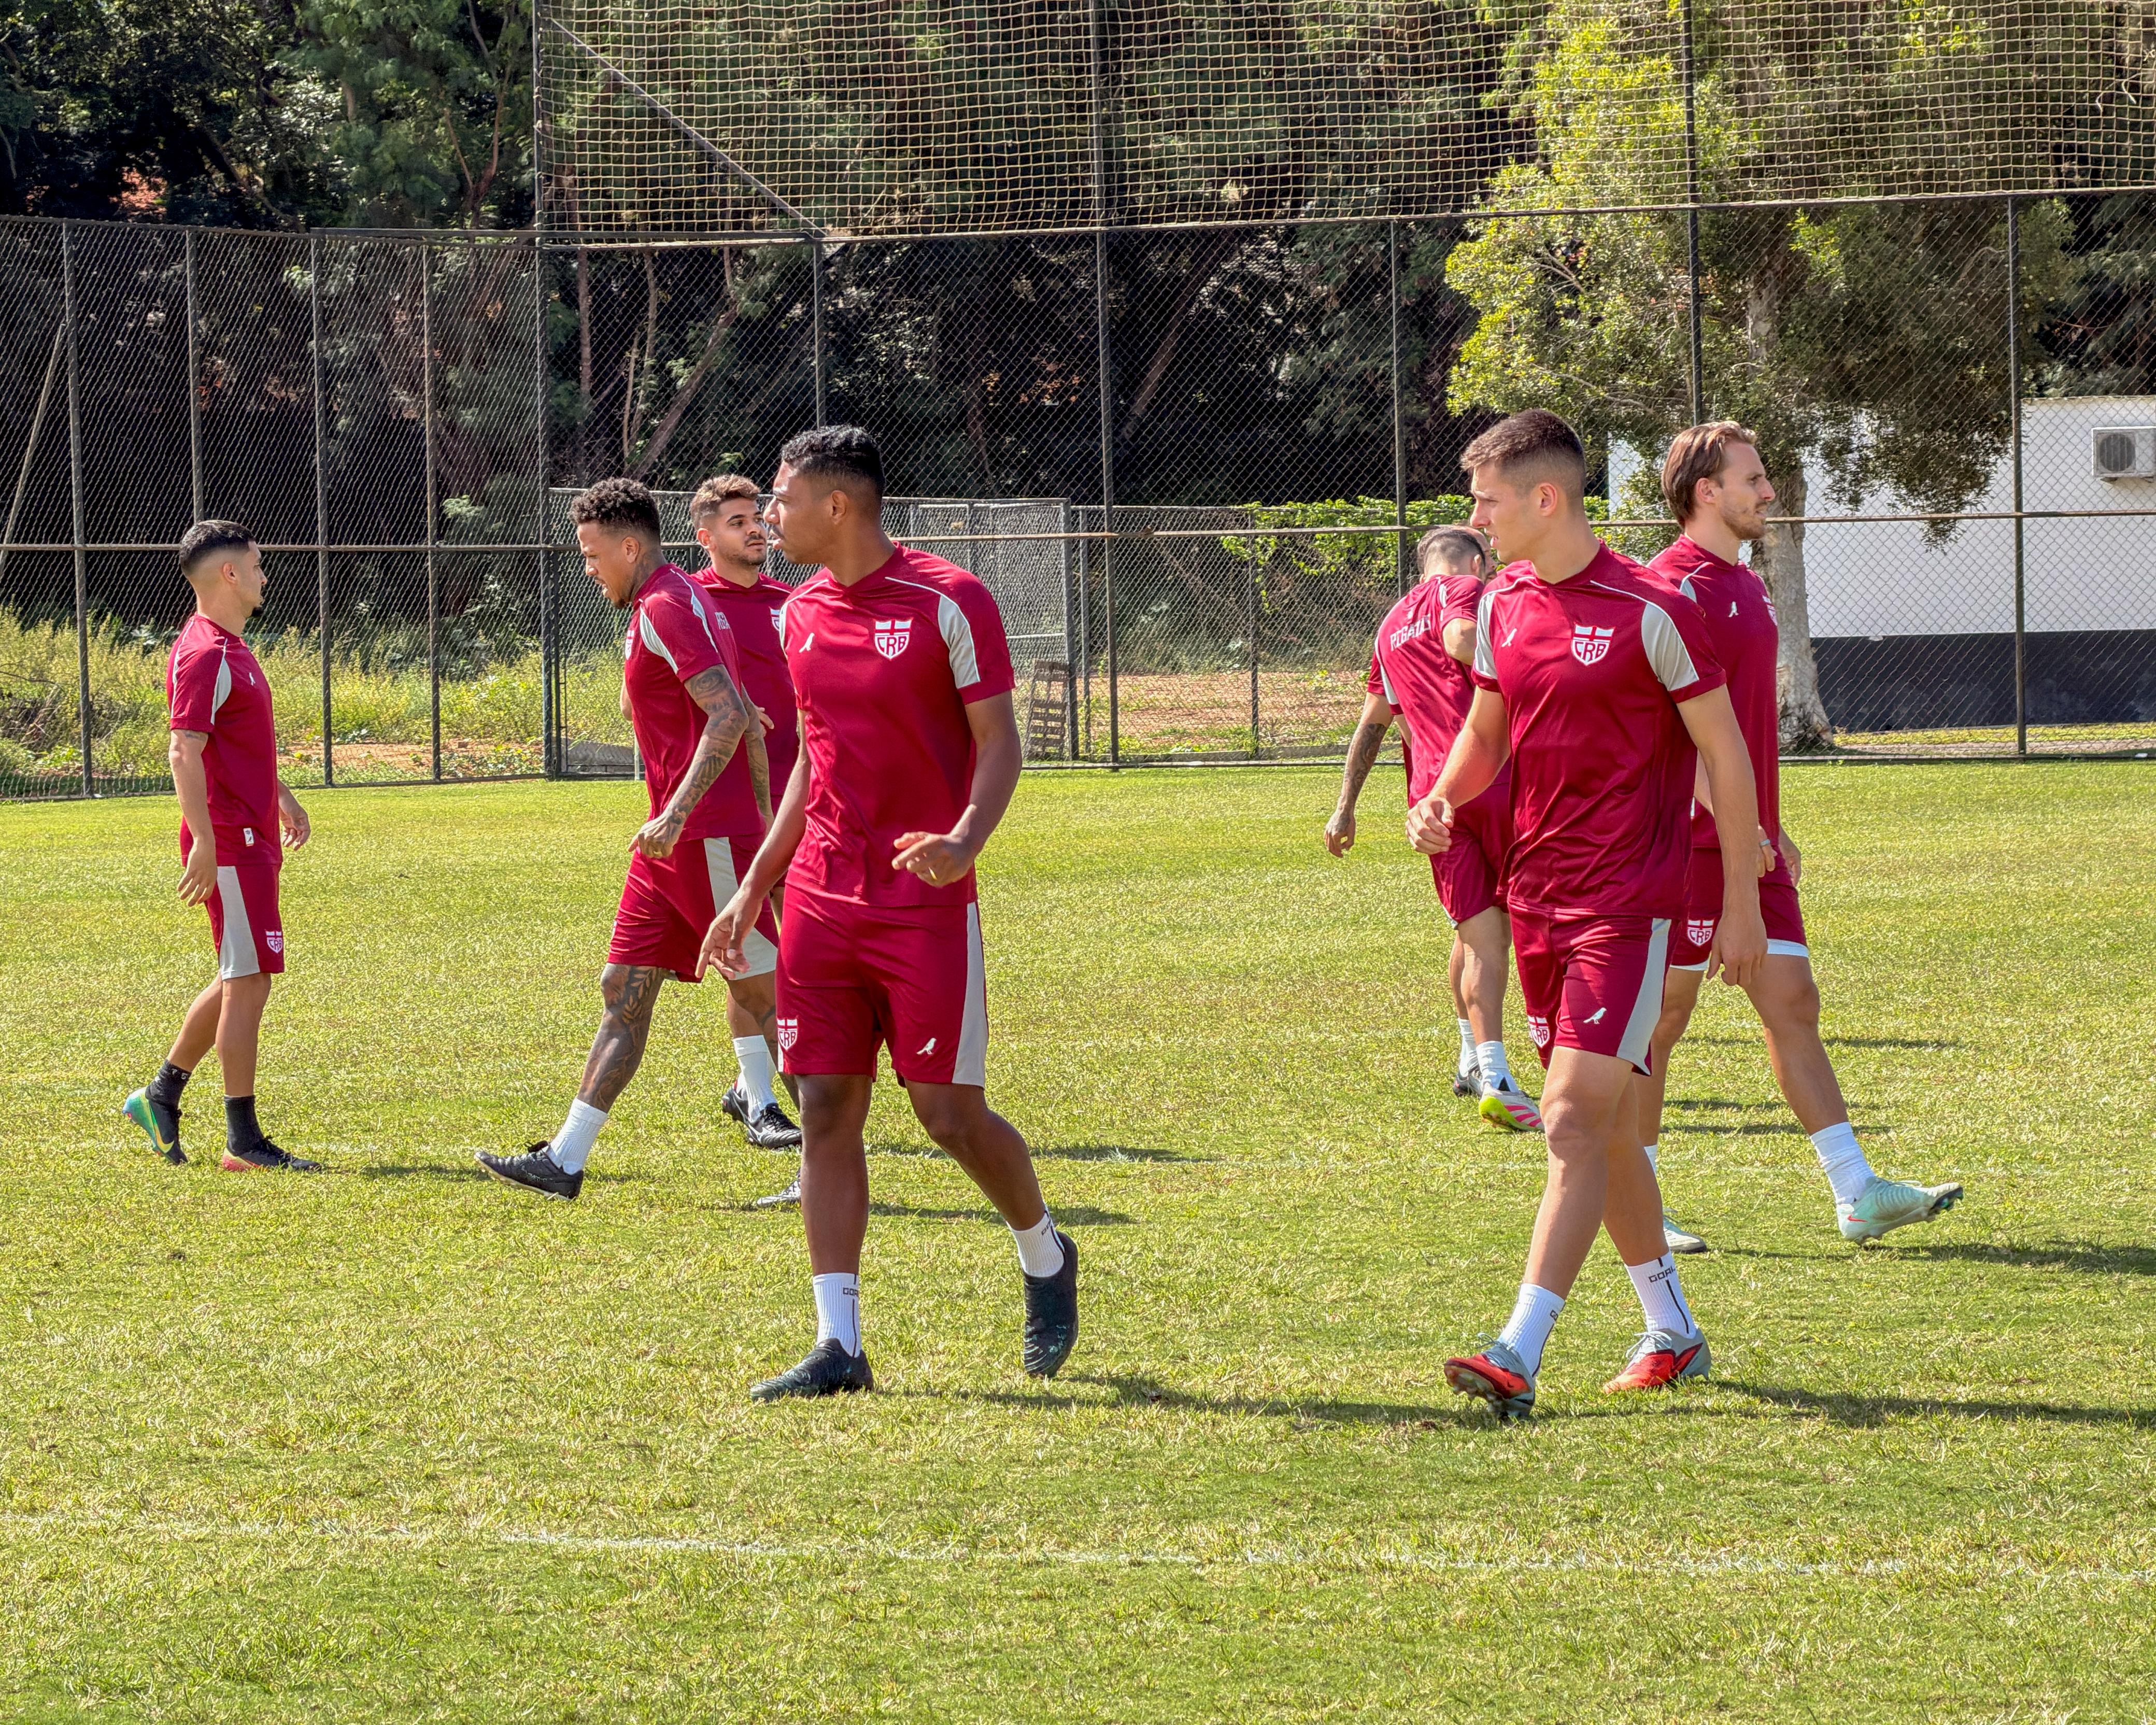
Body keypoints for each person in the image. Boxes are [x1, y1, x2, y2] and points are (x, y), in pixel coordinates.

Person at [701, 424, 1077, 1401]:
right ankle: (840, 1344)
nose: (769, 516)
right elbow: (813, 766)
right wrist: (752, 888)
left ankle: (1043, 1252)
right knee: (826, 1103)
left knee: (947, 1113)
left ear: (839, 505)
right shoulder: (797, 615)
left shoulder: (951, 599)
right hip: (824, 897)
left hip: (925, 901)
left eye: (781, 498)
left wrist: (963, 839)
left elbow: (1000, 743)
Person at [1407, 410, 1767, 1417]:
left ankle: (1515, 1350)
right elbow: (1485, 730)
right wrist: (1441, 795)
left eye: (1485, 500)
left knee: (1567, 1117)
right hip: (1536, 905)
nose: (1473, 519)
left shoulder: (1652, 605)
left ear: (1543, 499)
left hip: (1629, 908)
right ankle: (1674, 1329)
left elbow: (1725, 761)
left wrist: (1735, 903)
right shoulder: (1508, 600)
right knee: (1602, 1132)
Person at [1642, 423, 1963, 1248]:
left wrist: (1769, 831)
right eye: (1754, 478)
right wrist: (1735, 826)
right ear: (1705, 491)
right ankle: (1638, 1202)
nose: (1769, 491)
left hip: (1750, 839)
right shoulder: (1669, 589)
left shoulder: (1743, 585)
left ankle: (1855, 1191)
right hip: (1689, 843)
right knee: (1661, 1019)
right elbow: (1676, 736)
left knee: (1793, 1001)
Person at [477, 477, 768, 1200]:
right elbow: (751, 716)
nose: (587, 567)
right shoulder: (668, 600)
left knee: (771, 999)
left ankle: (826, 1167)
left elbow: (732, 716)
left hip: (702, 839)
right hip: (669, 849)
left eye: (591, 553)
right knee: (624, 989)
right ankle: (565, 1160)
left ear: (630, 545)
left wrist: (682, 817)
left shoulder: (670, 605)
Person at [1327, 524, 1539, 1130]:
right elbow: (1464, 639)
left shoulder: (1389, 625)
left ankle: (1476, 1057)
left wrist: (1345, 806)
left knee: (1474, 933)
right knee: (1519, 929)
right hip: (1492, 780)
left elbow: (1371, 725)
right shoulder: (1465, 590)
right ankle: (1505, 1073)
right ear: (1472, 559)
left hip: (1432, 800)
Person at [122, 520, 319, 1172]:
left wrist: (281, 793)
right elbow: (185, 750)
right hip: (231, 841)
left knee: (244, 974)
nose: (265, 575)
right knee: (250, 979)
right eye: (257, 565)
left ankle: (162, 1094)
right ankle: (243, 1140)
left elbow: (235, 746)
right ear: (229, 574)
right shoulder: (206, 651)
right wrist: (204, 842)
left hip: (250, 833)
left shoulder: (229, 646)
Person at [685, 472, 806, 1163]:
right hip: (736, 813)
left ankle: (746, 1085)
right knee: (752, 955)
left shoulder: (794, 602)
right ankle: (761, 1100)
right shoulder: (690, 605)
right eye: (737, 521)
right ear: (707, 537)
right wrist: (725, 714)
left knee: (804, 958)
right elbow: (645, 701)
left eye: (757, 516)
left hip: (804, 803)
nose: (756, 527)